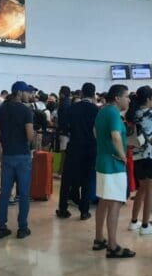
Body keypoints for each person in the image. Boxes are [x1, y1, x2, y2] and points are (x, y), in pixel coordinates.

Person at [93, 84, 135, 258]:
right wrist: (122, 155)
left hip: (103, 161)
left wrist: (105, 147)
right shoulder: (114, 113)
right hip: (114, 165)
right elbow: (116, 135)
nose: (129, 100)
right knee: (115, 204)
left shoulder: (103, 111)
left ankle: (99, 238)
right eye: (126, 96)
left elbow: (95, 131)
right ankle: (112, 245)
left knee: (103, 201)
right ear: (117, 98)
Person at [0, 82, 36, 240]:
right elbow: (30, 136)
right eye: (27, 92)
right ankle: (22, 228)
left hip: (7, 155)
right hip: (22, 156)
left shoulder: (0, 110)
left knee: (5, 193)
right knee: (24, 194)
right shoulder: (26, 111)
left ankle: (1, 227)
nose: (29, 95)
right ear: (19, 92)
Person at [56, 83, 99, 220]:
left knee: (67, 178)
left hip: (74, 146)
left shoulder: (72, 108)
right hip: (90, 147)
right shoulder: (96, 110)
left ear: (81, 94)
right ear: (93, 94)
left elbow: (63, 125)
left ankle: (63, 208)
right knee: (86, 180)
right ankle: (84, 211)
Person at [127, 86, 152, 235]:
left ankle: (134, 221)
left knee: (141, 189)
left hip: (137, 156)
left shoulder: (132, 115)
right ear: (148, 99)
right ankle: (146, 225)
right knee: (150, 192)